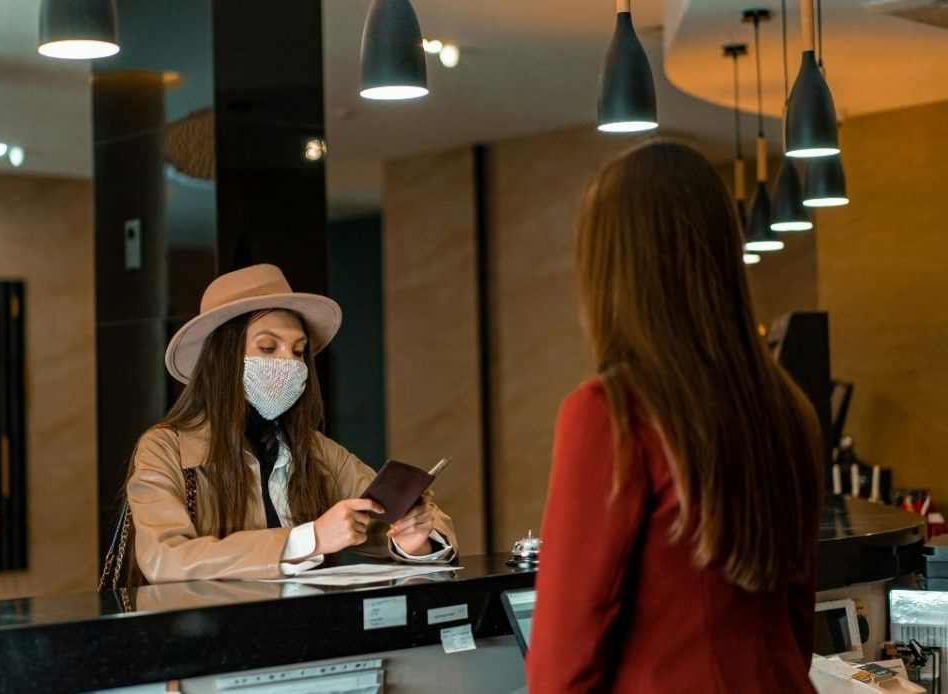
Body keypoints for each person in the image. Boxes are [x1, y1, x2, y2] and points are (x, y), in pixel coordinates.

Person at [526, 142, 823, 692]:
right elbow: (797, 626)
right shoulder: (789, 408)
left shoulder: (610, 413)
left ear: (609, 267)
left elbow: (562, 661)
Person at [126, 264, 455, 583]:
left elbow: (391, 516)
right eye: (268, 347)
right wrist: (309, 539)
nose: (289, 362)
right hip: (213, 631)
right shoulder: (165, 448)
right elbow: (164, 558)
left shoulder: (313, 449)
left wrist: (414, 542)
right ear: (222, 358)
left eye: (299, 352)